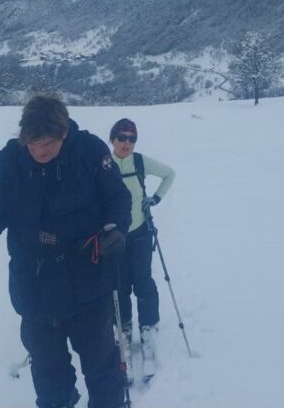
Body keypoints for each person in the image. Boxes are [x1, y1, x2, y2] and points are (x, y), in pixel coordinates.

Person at [0, 94, 131, 408]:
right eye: (32, 142)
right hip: (34, 288)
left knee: (102, 371)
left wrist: (115, 229)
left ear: (64, 133)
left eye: (48, 142)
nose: (39, 150)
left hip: (88, 282)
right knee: (49, 378)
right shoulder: (8, 161)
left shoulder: (91, 153)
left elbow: (117, 199)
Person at [109, 118, 176, 381]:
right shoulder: (104, 163)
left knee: (143, 282)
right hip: (115, 237)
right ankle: (123, 330)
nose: (127, 143)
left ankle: (148, 329)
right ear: (112, 139)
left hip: (139, 233)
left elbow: (170, 174)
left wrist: (155, 198)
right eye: (122, 137)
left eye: (131, 138)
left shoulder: (139, 161)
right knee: (119, 285)